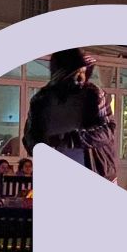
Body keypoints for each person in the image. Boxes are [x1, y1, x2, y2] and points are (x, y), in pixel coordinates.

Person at [23, 49, 117, 182]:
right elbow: (30, 136)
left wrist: (71, 139)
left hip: (95, 171)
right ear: (61, 74)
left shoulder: (94, 95)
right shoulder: (41, 100)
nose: (81, 78)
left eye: (84, 72)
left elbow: (107, 131)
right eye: (76, 73)